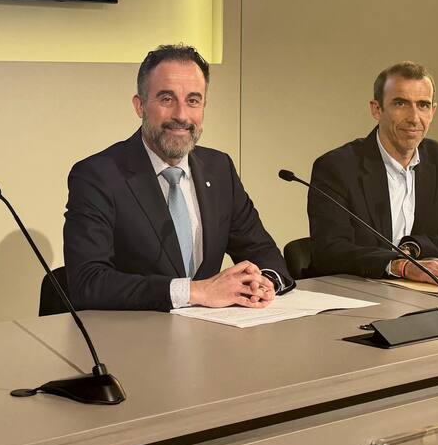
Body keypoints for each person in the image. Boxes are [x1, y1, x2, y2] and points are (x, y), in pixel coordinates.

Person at [64, 44, 293, 311]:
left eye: (193, 101)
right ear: (140, 105)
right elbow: (88, 282)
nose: (181, 115)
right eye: (166, 99)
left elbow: (263, 252)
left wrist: (264, 283)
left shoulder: (219, 168)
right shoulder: (97, 176)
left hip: (212, 330)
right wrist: (195, 292)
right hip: (133, 332)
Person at [306, 61, 438, 285]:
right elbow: (330, 251)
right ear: (376, 109)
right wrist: (400, 266)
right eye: (400, 103)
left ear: (433, 111)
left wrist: (413, 249)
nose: (414, 118)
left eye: (423, 105)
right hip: (357, 290)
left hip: (421, 291)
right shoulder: (337, 167)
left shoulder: (437, 158)